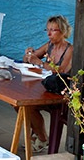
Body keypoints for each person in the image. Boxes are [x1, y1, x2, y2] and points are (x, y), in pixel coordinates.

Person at [22, 15, 73, 152]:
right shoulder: (49, 45)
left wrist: (39, 62)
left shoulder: (69, 50)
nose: (49, 34)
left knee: (27, 105)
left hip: (60, 93)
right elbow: (31, 57)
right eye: (47, 30)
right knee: (19, 104)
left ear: (62, 31)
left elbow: (61, 70)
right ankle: (40, 135)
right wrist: (28, 54)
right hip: (46, 88)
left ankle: (43, 138)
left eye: (53, 30)